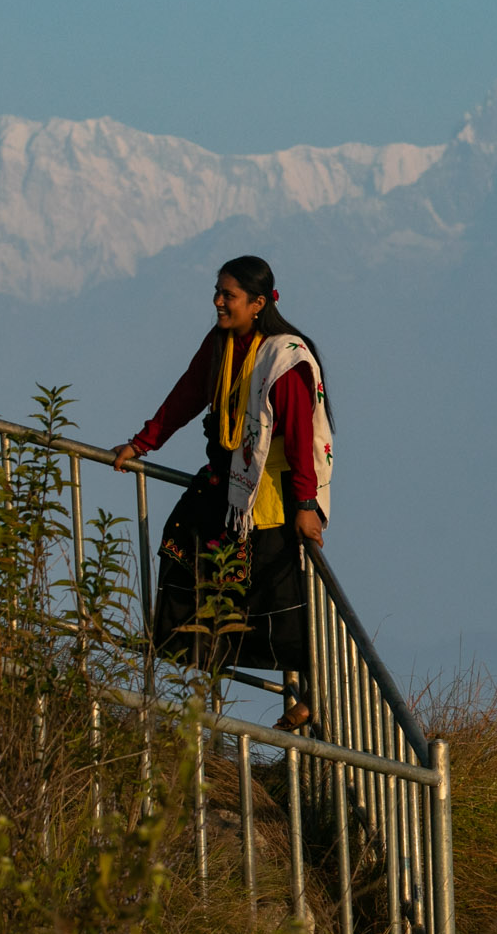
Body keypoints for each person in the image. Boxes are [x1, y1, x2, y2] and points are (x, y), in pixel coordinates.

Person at [114, 255, 333, 726]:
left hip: (270, 496)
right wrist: (142, 442)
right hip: (226, 483)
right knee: (186, 554)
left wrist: (305, 503)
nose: (217, 302)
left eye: (227, 295)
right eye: (217, 292)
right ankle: (199, 669)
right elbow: (188, 395)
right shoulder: (221, 345)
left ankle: (316, 694)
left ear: (258, 303)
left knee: (278, 594)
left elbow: (297, 435)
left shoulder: (285, 359)